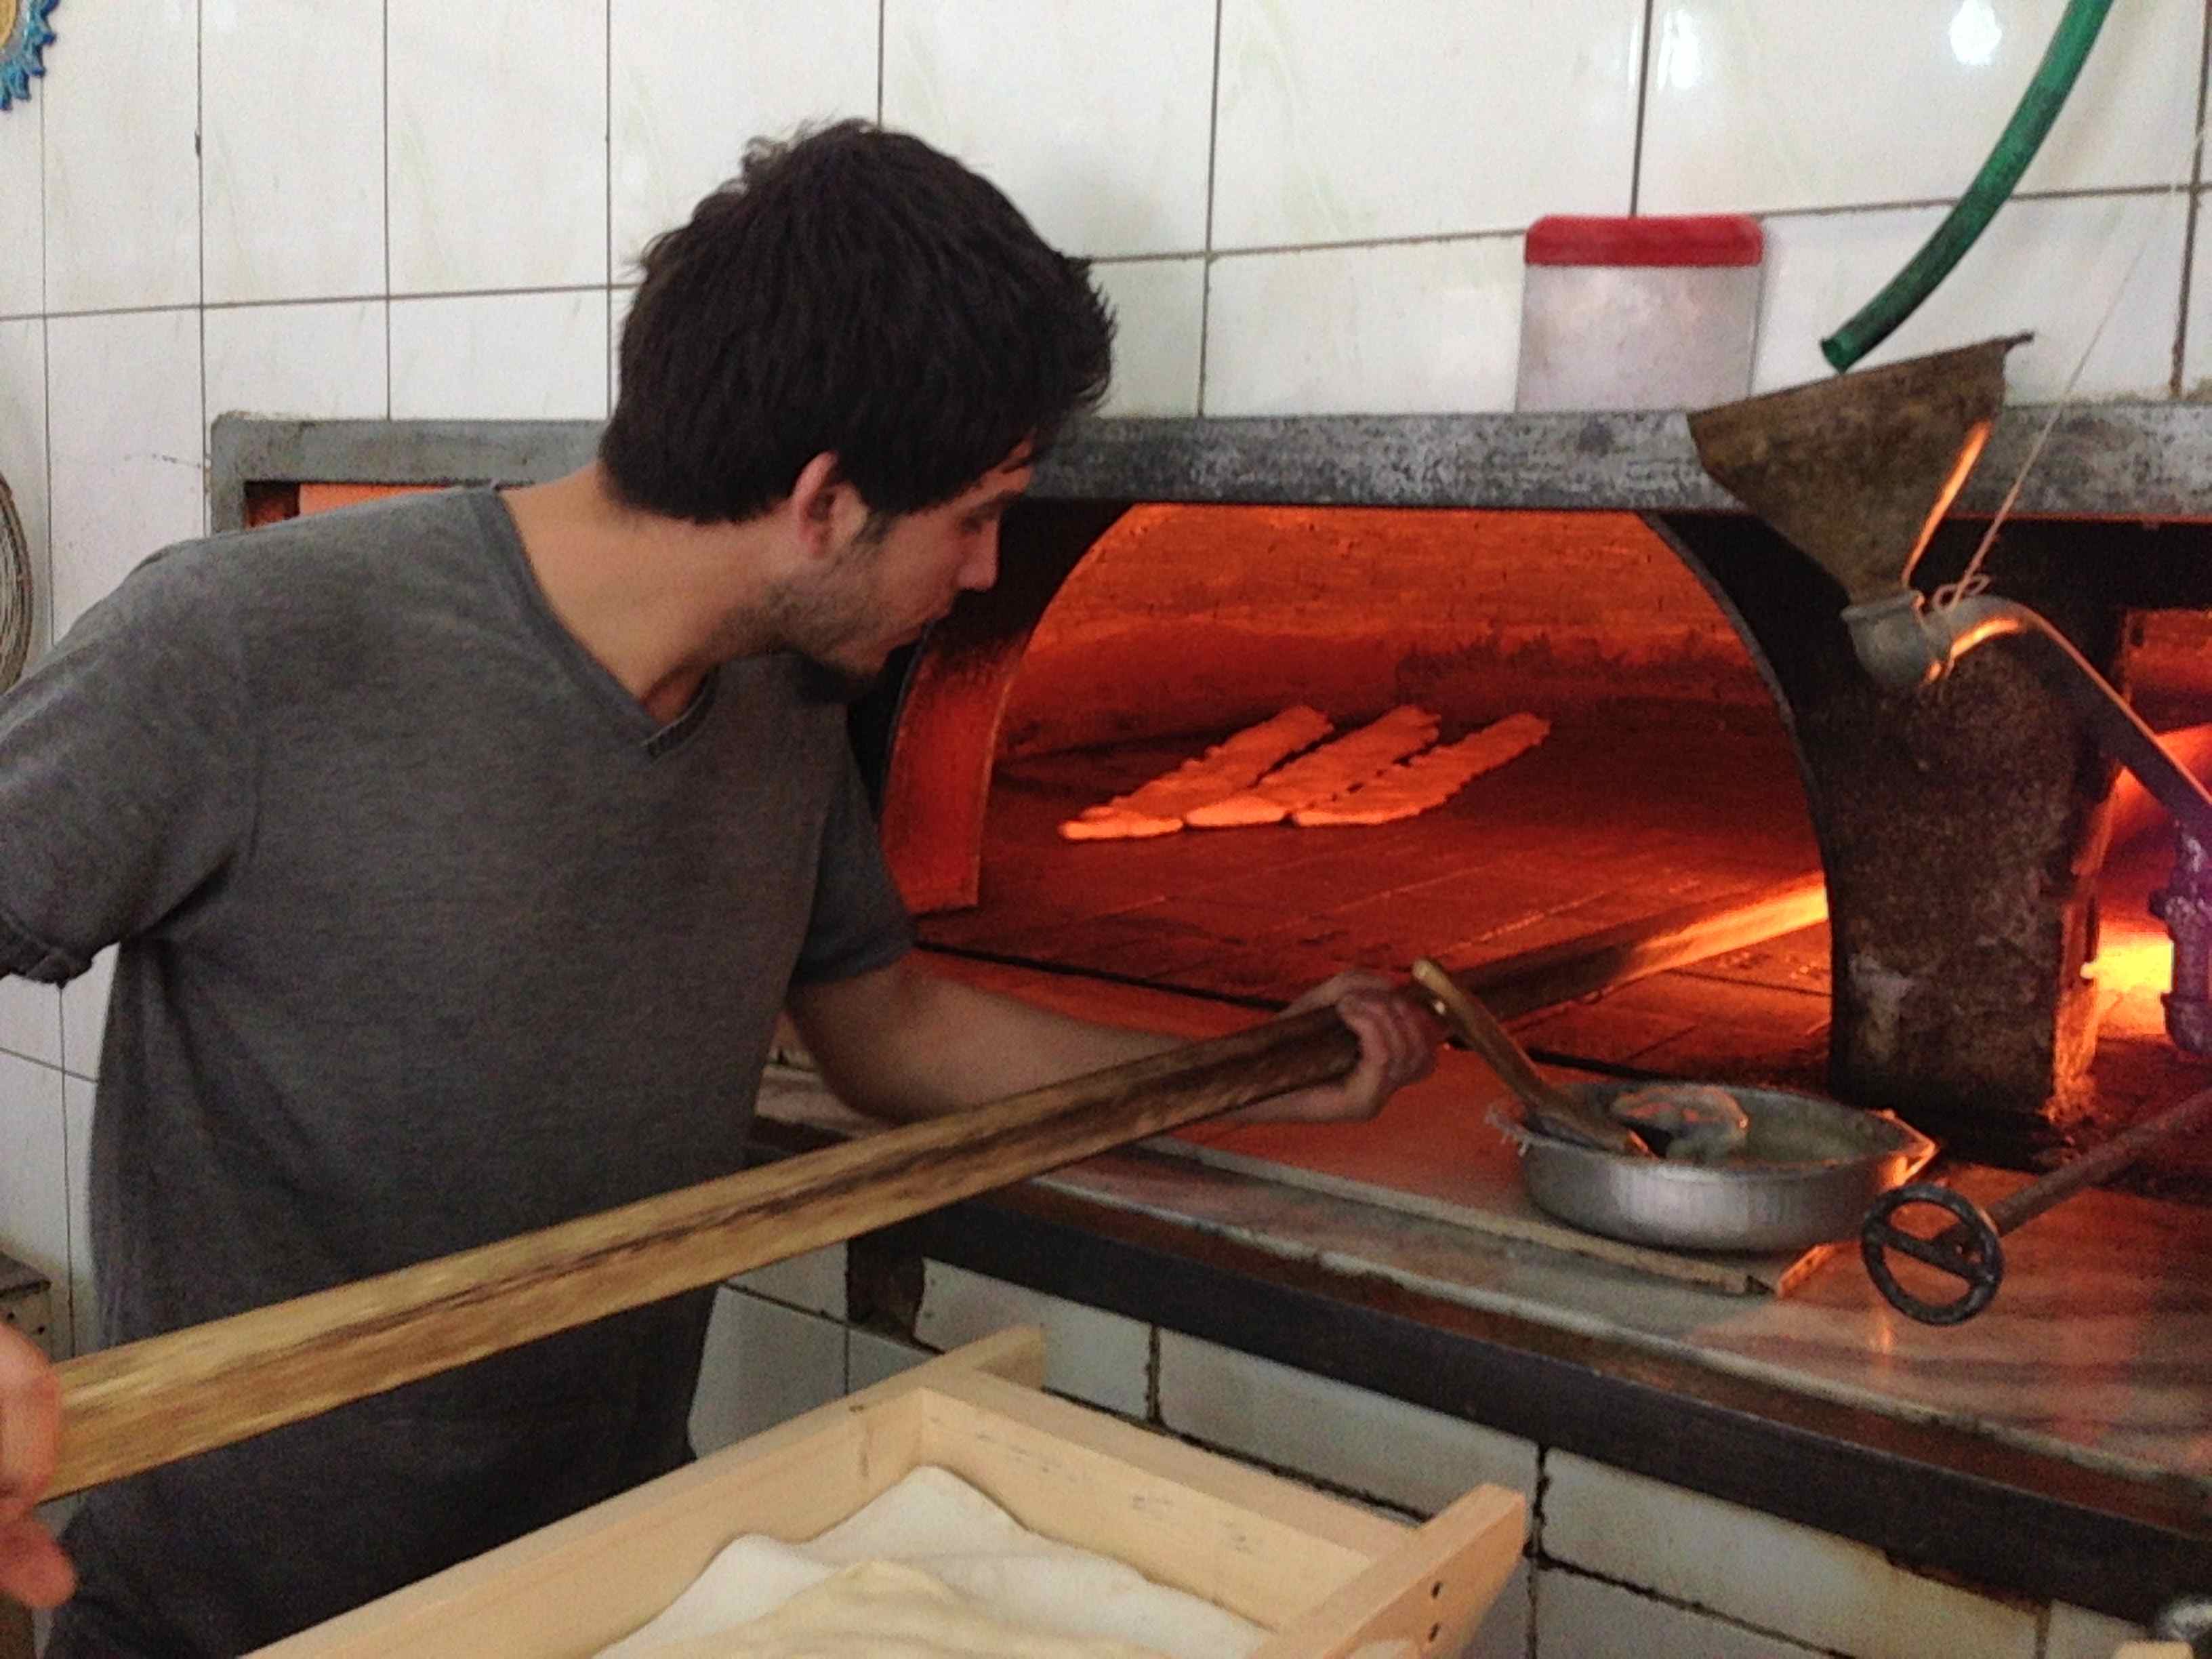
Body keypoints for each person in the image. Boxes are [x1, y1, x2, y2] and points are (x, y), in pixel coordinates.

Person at [0, 121, 1437, 1655]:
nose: (984, 574)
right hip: (236, 1621)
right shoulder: (243, 648)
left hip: (620, 1593)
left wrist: (1257, 1072)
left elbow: (891, 1032)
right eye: (974, 516)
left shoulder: (783, 701)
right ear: (824, 504)